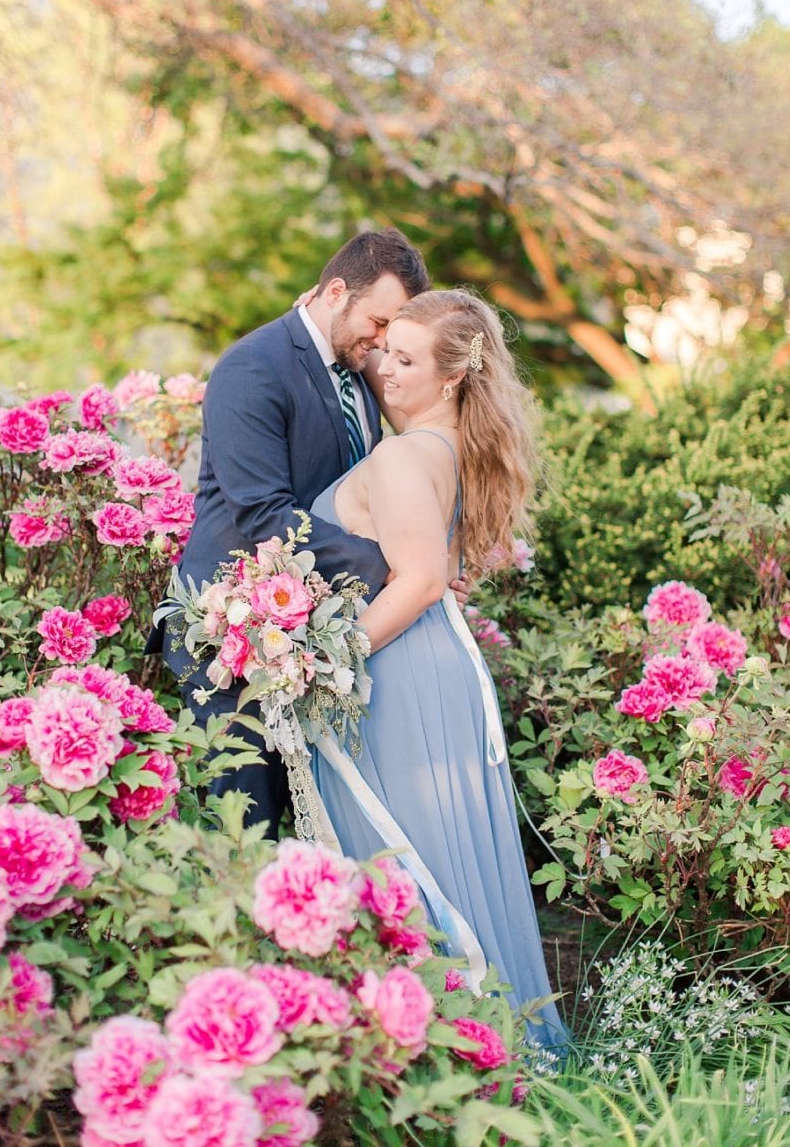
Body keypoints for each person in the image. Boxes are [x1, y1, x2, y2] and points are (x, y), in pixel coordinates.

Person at [306, 288, 567, 1056]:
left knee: (403, 862)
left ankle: (452, 1049)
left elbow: (418, 580)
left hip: (397, 671)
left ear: (452, 377)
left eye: (408, 357)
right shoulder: (449, 450)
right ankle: (489, 1043)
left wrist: (321, 663)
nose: (385, 367)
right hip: (434, 663)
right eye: (387, 349)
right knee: (438, 859)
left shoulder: (399, 454)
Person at [162, 227, 429, 836]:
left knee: (310, 835)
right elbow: (264, 517)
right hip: (231, 641)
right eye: (379, 321)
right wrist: (398, 569)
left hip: (309, 639)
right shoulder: (253, 367)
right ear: (336, 291)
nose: (385, 342)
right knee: (239, 834)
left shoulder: (359, 368)